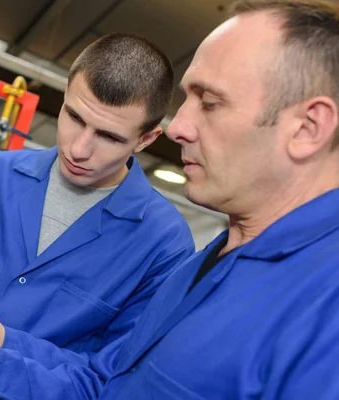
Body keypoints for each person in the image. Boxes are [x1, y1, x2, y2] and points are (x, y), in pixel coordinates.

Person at [0, 33, 195, 399]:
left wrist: (1, 340)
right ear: (66, 94)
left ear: (146, 139)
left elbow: (114, 379)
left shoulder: (164, 244)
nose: (79, 149)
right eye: (74, 116)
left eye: (109, 137)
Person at [95, 0, 339, 398]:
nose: (178, 128)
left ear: (308, 128)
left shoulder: (326, 309)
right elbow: (106, 382)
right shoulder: (208, 261)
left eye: (210, 103)